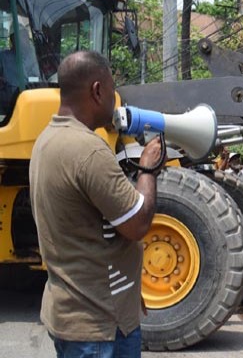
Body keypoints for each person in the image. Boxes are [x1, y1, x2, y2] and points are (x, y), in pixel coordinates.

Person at [28, 50, 163, 357]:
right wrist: (148, 167)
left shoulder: (46, 140)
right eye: (113, 90)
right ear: (97, 90)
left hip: (74, 314)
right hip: (99, 326)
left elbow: (89, 233)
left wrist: (127, 292)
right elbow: (138, 223)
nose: (115, 100)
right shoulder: (89, 151)